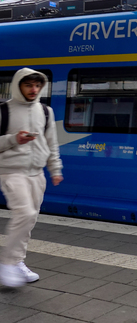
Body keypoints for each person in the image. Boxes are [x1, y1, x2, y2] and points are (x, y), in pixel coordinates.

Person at [0, 68, 63, 288]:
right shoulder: (4, 111)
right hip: (10, 171)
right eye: (28, 85)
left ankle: (18, 262)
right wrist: (13, 139)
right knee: (24, 213)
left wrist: (55, 169)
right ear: (18, 86)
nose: (34, 89)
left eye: (37, 85)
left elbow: (51, 143)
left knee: (30, 219)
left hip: (37, 174)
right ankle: (7, 264)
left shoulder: (46, 111)